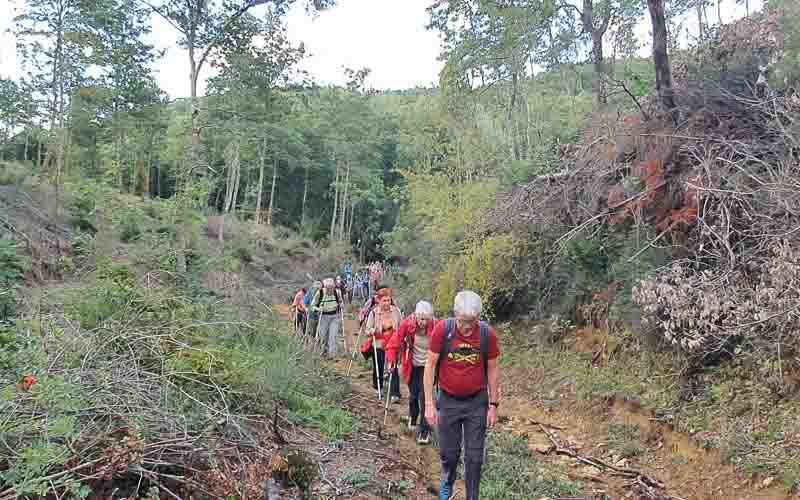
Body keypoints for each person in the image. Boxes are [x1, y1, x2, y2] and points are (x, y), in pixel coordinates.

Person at [424, 291, 501, 500]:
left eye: (471, 322)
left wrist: (494, 405)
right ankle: (448, 479)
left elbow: (493, 368)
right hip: (448, 400)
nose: (466, 327)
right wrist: (429, 403)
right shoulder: (443, 330)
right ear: (455, 314)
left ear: (478, 317)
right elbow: (430, 366)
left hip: (476, 402)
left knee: (474, 458)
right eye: (462, 321)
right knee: (449, 454)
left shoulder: (486, 334)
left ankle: (472, 496)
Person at [386, 300, 435, 445]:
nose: (424, 322)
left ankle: (424, 430)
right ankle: (413, 416)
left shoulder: (436, 326)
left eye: (427, 319)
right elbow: (394, 343)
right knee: (414, 395)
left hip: (428, 367)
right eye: (421, 319)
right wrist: (391, 359)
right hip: (411, 366)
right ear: (416, 315)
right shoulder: (407, 324)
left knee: (425, 397)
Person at [361, 287, 402, 401]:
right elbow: (367, 330)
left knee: (393, 367)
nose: (386, 303)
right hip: (379, 344)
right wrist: (372, 331)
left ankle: (395, 393)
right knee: (378, 367)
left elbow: (401, 325)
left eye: (388, 300)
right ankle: (378, 388)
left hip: (392, 345)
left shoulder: (396, 311)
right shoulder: (374, 313)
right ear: (379, 301)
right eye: (384, 301)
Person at [311, 278, 344, 358]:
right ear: (325, 287)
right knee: (323, 337)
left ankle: (332, 355)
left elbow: (340, 301)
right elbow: (312, 306)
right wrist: (318, 309)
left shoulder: (337, 293)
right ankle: (323, 353)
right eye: (328, 288)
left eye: (331, 288)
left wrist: (341, 304)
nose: (330, 290)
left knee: (333, 336)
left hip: (334, 316)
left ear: (333, 287)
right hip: (323, 317)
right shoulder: (320, 293)